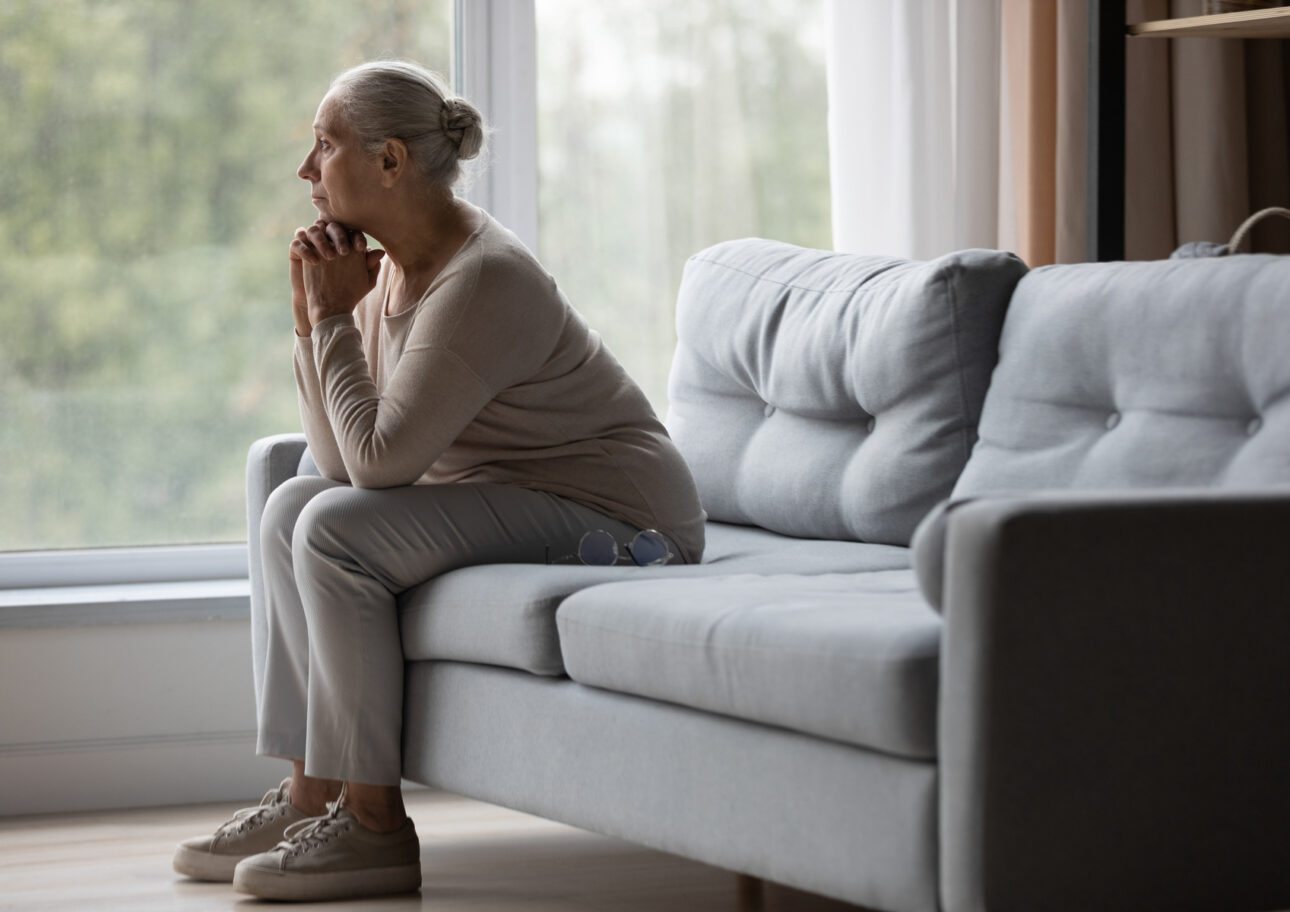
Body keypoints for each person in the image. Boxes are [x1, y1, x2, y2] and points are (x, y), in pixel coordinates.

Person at [171, 60, 705, 903]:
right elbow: (342, 462)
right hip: (514, 489)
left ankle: (375, 826)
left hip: (623, 514)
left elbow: (380, 465)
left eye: (324, 145)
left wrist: (335, 319)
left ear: (391, 161)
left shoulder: (483, 276)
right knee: (293, 506)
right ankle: (312, 792)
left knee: (333, 527)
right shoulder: (386, 267)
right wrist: (314, 317)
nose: (306, 170)